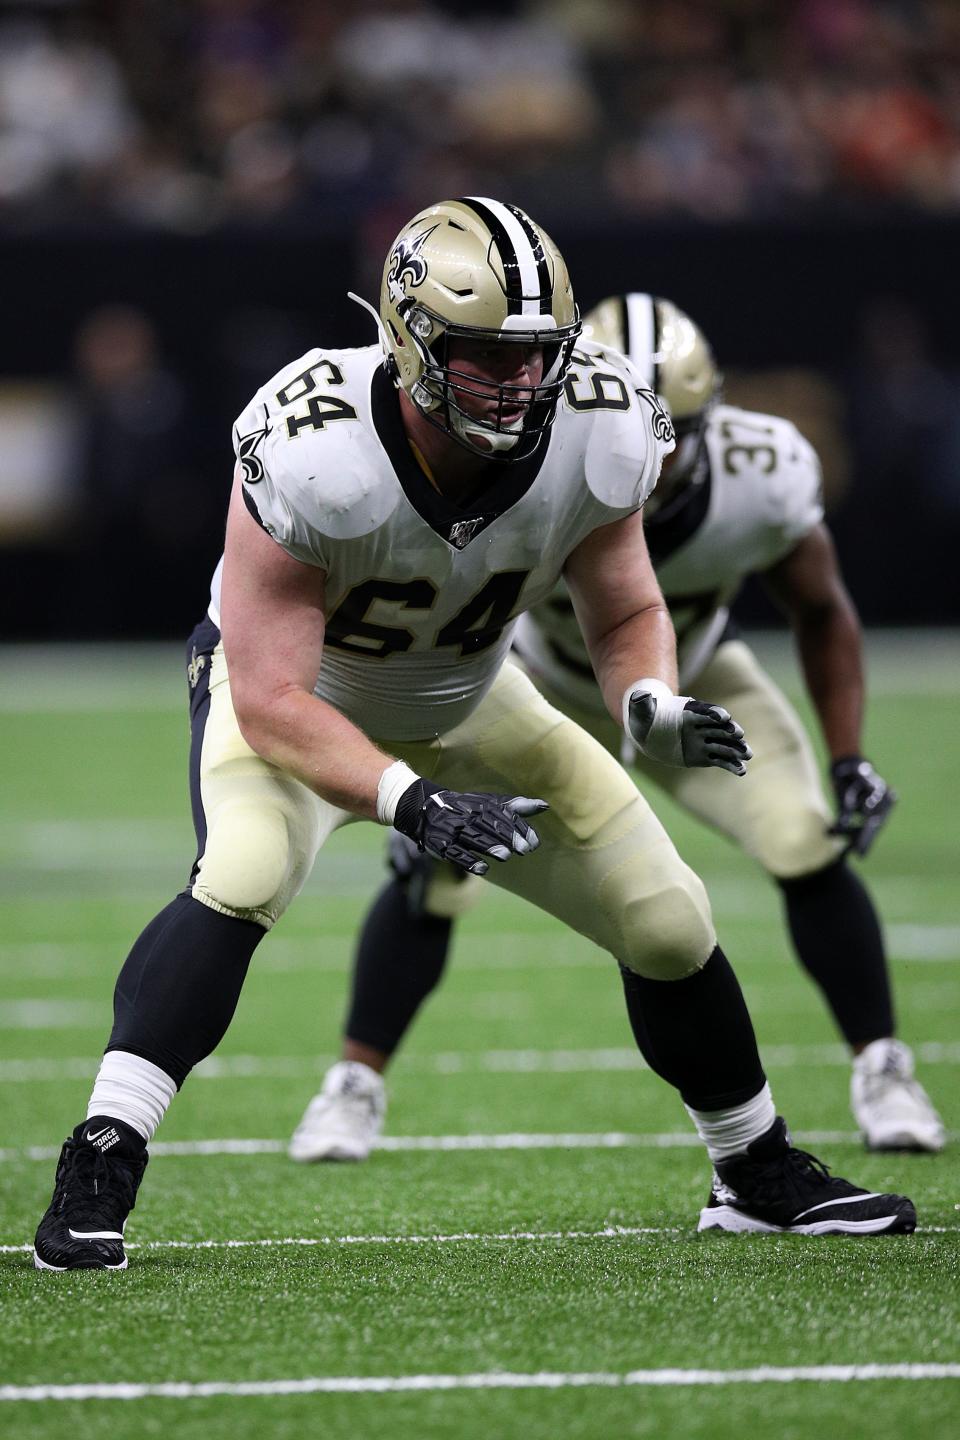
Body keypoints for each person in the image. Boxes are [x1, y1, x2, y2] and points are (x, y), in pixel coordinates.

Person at [34, 203, 915, 1272]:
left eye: (536, 356)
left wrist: (646, 703)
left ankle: (755, 1169)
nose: (517, 384)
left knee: (669, 916)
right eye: (485, 358)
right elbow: (267, 697)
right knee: (247, 867)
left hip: (469, 690)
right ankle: (101, 1157)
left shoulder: (603, 421)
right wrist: (412, 801)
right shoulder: (314, 442)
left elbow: (629, 609)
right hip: (307, 695)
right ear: (409, 342)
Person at [291, 292, 944, 1165]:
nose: (654, 453)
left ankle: (883, 1066)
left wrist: (849, 753)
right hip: (542, 684)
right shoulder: (524, 460)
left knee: (802, 837)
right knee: (439, 873)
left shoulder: (764, 473)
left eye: (674, 430)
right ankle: (355, 1081)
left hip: (697, 675)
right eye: (641, 427)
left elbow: (822, 610)